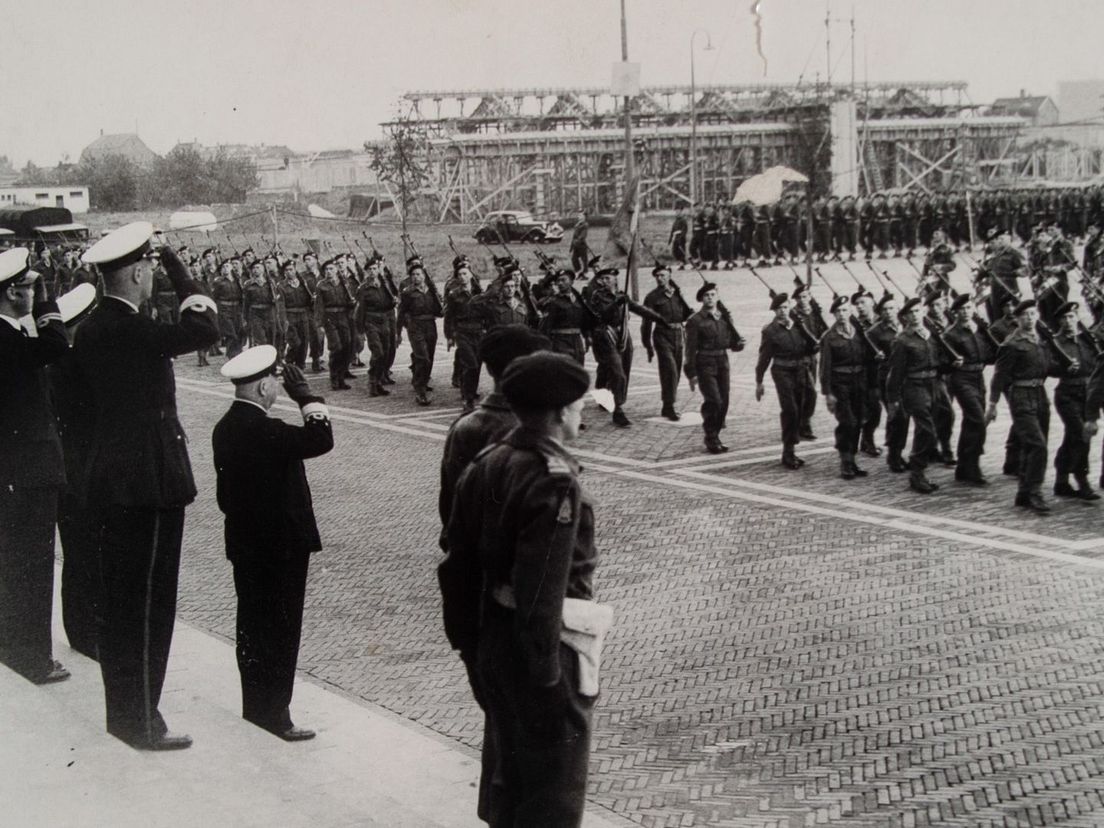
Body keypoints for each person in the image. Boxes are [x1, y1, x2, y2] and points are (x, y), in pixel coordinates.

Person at [442, 351, 610, 827]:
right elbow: (541, 589)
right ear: (559, 413)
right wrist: (547, 675)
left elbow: (456, 565)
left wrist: (471, 646)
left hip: (493, 641)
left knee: (508, 783)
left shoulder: (489, 461)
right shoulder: (552, 481)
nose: (582, 414)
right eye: (578, 405)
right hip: (544, 652)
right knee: (551, 794)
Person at [75, 221, 219, 749]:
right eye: (152, 269)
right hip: (148, 480)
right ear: (138, 272)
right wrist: (178, 265)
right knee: (148, 604)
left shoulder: (93, 327)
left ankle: (129, 714)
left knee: (123, 601)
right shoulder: (132, 329)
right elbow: (206, 327)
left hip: (116, 476)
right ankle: (139, 719)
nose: (155, 276)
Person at [213, 348, 334, 741]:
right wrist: (308, 397)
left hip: (246, 542)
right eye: (276, 384)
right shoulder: (266, 430)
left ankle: (255, 705)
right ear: (264, 385)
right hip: (280, 547)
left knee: (251, 624)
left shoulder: (226, 427)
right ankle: (275, 712)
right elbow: (320, 439)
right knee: (281, 630)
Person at [0, 248, 71, 685]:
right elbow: (55, 344)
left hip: (14, 472)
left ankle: (13, 645)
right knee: (33, 566)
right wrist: (46, 300)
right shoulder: (8, 340)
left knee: (14, 563)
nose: (33, 292)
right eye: (27, 286)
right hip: (26, 472)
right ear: (13, 292)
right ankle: (32, 657)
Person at [48, 283, 100, 661]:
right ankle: (85, 635)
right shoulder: (73, 366)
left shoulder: (61, 362)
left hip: (74, 471)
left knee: (82, 555)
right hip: (79, 473)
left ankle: (84, 632)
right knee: (85, 555)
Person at [985, 299, 1059, 513]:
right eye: (1025, 314)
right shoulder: (1011, 344)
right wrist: (992, 404)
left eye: (1033, 313)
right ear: (1017, 318)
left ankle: (1024, 493)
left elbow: (1046, 367)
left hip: (1040, 395)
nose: (1030, 318)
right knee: (1037, 445)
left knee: (1034, 444)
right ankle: (1035, 491)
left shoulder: (1041, 339)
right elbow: (999, 376)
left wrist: (1067, 366)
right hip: (1021, 396)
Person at [587, 266, 668, 427]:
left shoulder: (622, 296)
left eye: (607, 278)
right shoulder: (597, 296)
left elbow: (639, 309)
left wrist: (659, 319)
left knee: (624, 371)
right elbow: (603, 314)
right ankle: (618, 409)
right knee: (618, 373)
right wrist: (616, 303)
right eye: (602, 279)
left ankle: (614, 400)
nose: (604, 282)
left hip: (623, 336)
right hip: (605, 336)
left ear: (615, 279)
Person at [886, 297, 942, 494]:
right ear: (905, 317)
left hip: (933, 384)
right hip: (914, 386)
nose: (915, 315)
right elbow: (896, 371)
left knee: (927, 429)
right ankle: (917, 472)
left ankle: (919, 472)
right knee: (927, 430)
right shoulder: (902, 340)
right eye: (911, 313)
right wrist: (892, 398)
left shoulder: (931, 334)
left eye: (918, 311)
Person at [756, 291, 818, 467]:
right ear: (774, 311)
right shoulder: (770, 331)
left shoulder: (799, 325)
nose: (783, 311)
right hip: (782, 371)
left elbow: (811, 347)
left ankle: (800, 429)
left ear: (790, 306)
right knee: (790, 409)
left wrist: (812, 342)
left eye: (785, 307)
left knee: (808, 400)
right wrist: (759, 381)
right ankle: (788, 452)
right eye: (779, 308)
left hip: (801, 369)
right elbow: (764, 357)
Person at [941, 295, 997, 485]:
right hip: (961, 378)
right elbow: (943, 360)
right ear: (956, 312)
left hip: (978, 378)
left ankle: (963, 466)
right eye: (962, 309)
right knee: (978, 419)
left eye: (969, 308)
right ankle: (972, 465)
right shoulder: (951, 334)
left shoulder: (979, 330)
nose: (966, 312)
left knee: (971, 422)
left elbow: (990, 356)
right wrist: (953, 363)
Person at [686, 282, 746, 453]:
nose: (710, 298)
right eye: (706, 296)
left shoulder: (724, 318)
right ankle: (710, 435)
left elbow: (731, 344)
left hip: (722, 361)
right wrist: (691, 372)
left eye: (713, 294)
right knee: (714, 400)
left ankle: (716, 434)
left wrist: (739, 344)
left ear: (718, 296)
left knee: (724, 400)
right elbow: (690, 349)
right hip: (705, 362)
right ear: (701, 299)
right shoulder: (695, 321)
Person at [1048, 301, 1099, 500]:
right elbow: (1047, 366)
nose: (1069, 321)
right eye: (1064, 318)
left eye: (1072, 317)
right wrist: (1063, 368)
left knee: (1072, 437)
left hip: (1087, 395)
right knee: (1081, 434)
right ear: (1059, 321)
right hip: (1067, 394)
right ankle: (1082, 479)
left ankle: (1061, 478)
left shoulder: (1087, 340)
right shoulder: (1056, 342)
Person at [819, 295, 869, 479]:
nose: (842, 314)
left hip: (859, 382)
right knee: (847, 422)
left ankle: (853, 460)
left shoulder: (859, 332)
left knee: (859, 421)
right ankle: (845, 461)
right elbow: (824, 367)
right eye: (838, 311)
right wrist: (828, 394)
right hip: (840, 384)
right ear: (833, 314)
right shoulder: (829, 337)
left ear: (850, 312)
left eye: (845, 310)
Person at [641, 265, 693, 421]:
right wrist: (647, 344)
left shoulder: (678, 294)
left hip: (679, 335)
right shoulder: (652, 297)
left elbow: (685, 315)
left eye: (663, 275)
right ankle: (670, 406)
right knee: (669, 370)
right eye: (657, 275)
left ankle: (667, 404)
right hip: (662, 335)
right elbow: (647, 323)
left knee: (676, 371)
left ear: (670, 275)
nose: (660, 278)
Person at [398, 258, 444, 406]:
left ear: (424, 275)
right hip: (415, 326)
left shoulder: (432, 291)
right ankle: (420, 390)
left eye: (419, 274)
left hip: (430, 325)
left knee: (429, 357)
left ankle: (422, 381)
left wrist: (442, 305)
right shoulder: (407, 293)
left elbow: (439, 312)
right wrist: (398, 332)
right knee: (422, 357)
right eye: (413, 275)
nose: (416, 277)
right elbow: (401, 313)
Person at [354, 254, 398, 398]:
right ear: (366, 271)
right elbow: (360, 310)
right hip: (371, 322)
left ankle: (379, 381)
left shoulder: (385, 284)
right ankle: (373, 382)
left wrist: (394, 302)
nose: (373, 271)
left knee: (385, 353)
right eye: (370, 269)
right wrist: (360, 330)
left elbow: (390, 302)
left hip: (385, 321)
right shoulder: (363, 289)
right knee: (377, 352)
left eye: (375, 268)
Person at [314, 258, 357, 391]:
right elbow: (319, 306)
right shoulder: (321, 285)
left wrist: (353, 303)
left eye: (331, 268)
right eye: (326, 269)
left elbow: (351, 301)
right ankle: (334, 378)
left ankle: (341, 377)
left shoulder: (345, 283)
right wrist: (319, 323)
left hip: (344, 317)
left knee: (347, 346)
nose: (329, 271)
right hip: (329, 319)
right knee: (336, 347)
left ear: (337, 269)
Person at [569, 210, 589, 277]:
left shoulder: (584, 225)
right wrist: (571, 247)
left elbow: (583, 236)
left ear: (584, 217)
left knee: (584, 259)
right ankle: (578, 271)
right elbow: (574, 236)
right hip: (576, 245)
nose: (578, 217)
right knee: (574, 259)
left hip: (581, 245)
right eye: (578, 215)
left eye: (580, 215)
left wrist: (577, 241)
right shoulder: (577, 224)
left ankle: (585, 273)